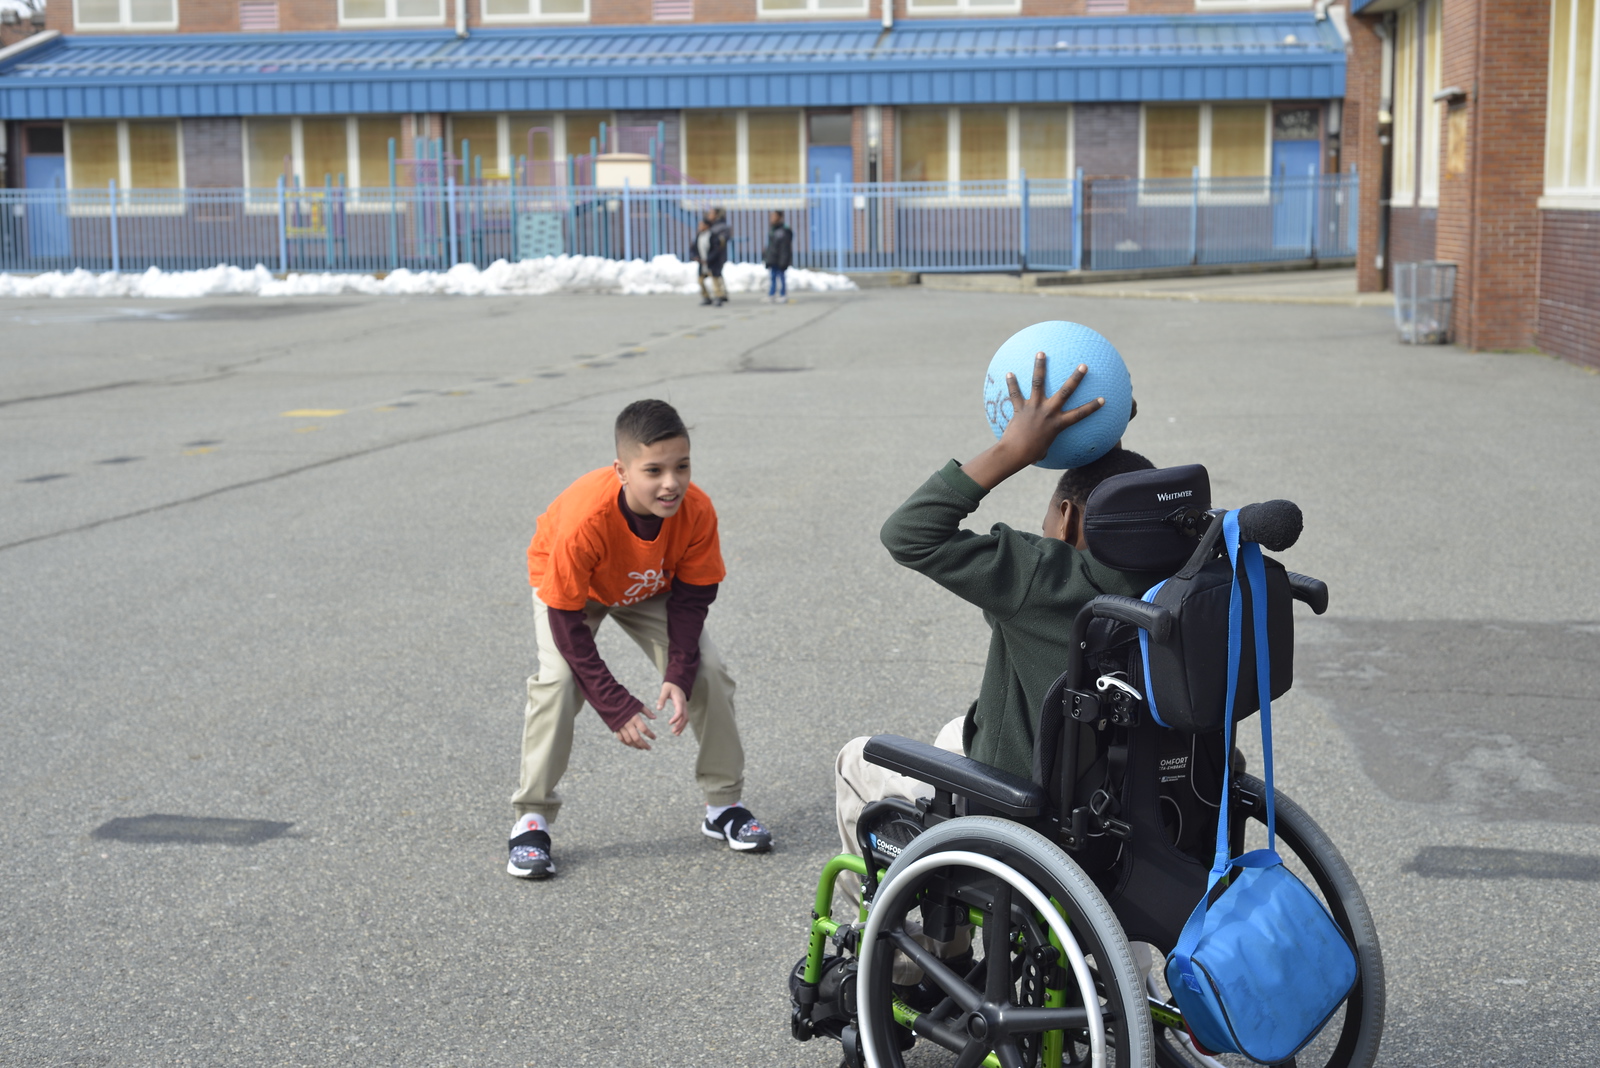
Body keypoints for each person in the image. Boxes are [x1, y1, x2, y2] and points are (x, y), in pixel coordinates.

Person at [836, 356, 1154, 891]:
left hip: (1024, 805)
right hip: (1136, 803)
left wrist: (1013, 451)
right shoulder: (1188, 581)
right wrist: (1107, 436)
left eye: (1052, 513)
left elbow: (909, 533)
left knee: (856, 759)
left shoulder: (1046, 579)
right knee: (950, 734)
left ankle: (922, 951)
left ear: (1070, 518)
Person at [507, 399, 771, 879]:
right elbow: (566, 624)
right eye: (653, 470)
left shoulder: (696, 511)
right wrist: (613, 703)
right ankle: (531, 818)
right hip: (575, 593)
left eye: (681, 466)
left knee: (708, 672)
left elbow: (693, 600)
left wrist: (678, 671)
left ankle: (724, 806)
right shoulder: (584, 520)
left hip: (648, 587)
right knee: (560, 683)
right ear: (622, 470)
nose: (670, 482)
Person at [695, 207, 731, 307]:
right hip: (704, 258)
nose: (709, 215)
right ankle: (711, 296)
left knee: (716, 277)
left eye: (711, 213)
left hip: (716, 257)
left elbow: (721, 242)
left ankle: (720, 295)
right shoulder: (703, 231)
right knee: (707, 278)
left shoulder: (721, 227)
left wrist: (716, 242)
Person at [763, 210, 793, 303]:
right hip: (773, 258)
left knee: (781, 276)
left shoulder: (784, 230)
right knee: (772, 276)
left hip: (780, 258)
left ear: (779, 217)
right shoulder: (773, 229)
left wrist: (784, 260)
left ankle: (783, 294)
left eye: (774, 216)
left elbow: (785, 248)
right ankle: (772, 294)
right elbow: (771, 246)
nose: (772, 218)